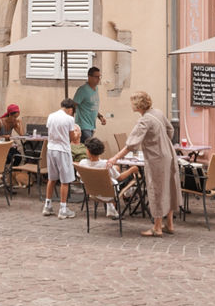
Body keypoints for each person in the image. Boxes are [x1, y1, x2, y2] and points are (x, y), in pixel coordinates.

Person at [106, 91, 181, 237]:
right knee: (170, 186)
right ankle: (170, 224)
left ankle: (157, 228)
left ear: (138, 105)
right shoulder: (158, 113)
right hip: (169, 154)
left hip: (157, 158)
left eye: (132, 103)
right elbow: (170, 130)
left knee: (157, 189)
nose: (131, 106)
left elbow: (131, 145)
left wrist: (115, 158)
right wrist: (162, 142)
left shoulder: (144, 120)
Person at [78, 136, 138, 219]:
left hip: (92, 192)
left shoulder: (82, 163)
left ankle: (122, 200)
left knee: (116, 170)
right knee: (130, 177)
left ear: (87, 151)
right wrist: (132, 169)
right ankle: (125, 197)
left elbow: (80, 175)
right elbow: (119, 178)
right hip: (109, 194)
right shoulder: (106, 164)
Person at [43, 98, 77, 219]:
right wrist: (77, 134)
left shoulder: (51, 116)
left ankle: (47, 205)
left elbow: (50, 131)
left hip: (51, 149)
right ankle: (63, 208)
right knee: (65, 180)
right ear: (70, 109)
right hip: (63, 149)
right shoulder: (70, 119)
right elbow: (72, 138)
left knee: (51, 178)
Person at [73, 67, 107, 140]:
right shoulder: (82, 90)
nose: (99, 79)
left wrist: (100, 116)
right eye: (96, 77)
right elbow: (73, 106)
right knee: (89, 149)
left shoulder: (96, 89)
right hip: (83, 127)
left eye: (99, 76)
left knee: (89, 149)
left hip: (91, 126)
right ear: (89, 77)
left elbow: (92, 106)